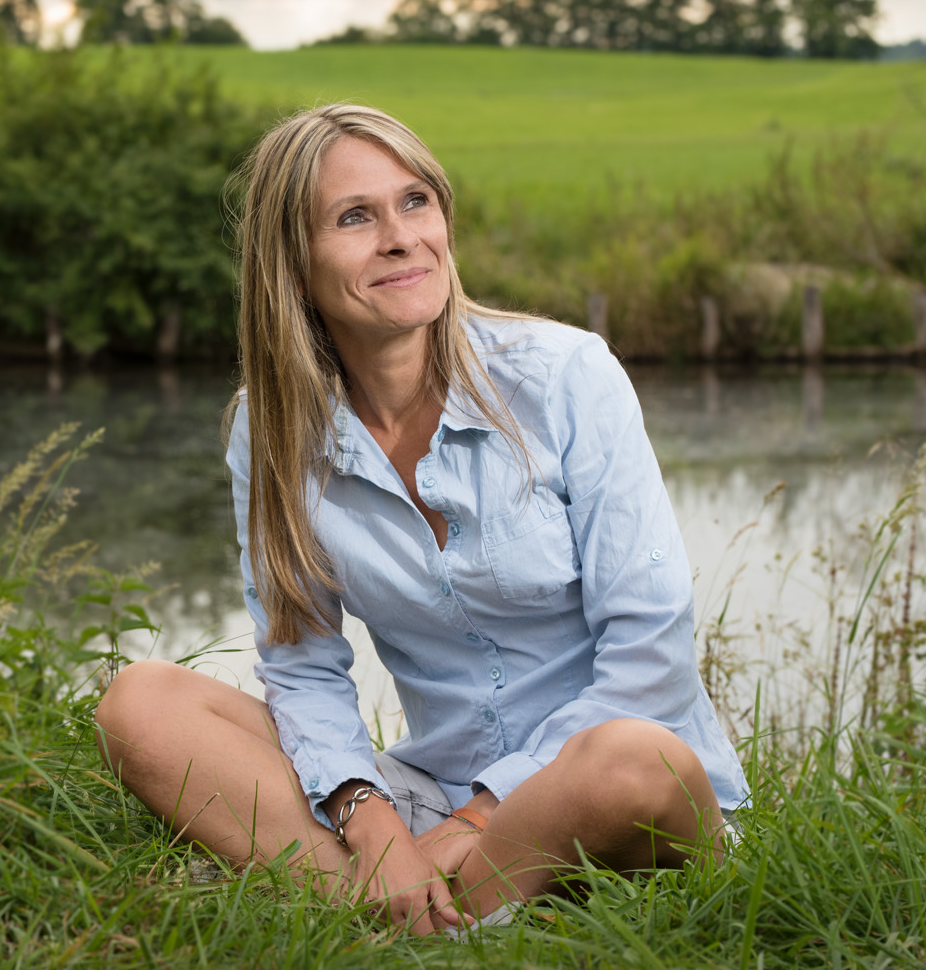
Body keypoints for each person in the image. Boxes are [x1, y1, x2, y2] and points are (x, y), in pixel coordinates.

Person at [93, 103, 749, 936]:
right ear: (292, 265)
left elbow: (650, 656)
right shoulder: (271, 427)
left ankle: (390, 910)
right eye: (355, 217)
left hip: (604, 788)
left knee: (633, 759)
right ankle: (407, 900)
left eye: (416, 202)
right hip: (428, 786)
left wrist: (474, 823)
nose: (401, 237)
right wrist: (368, 816)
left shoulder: (567, 377)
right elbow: (301, 665)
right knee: (140, 702)